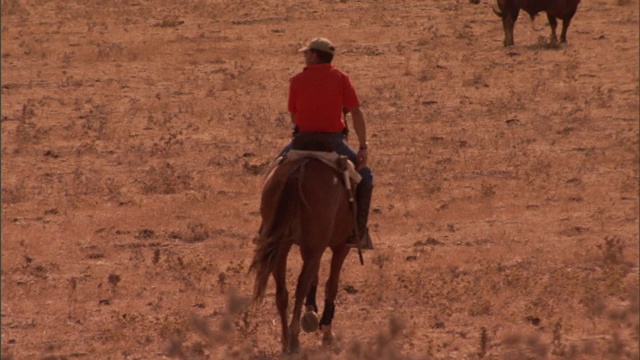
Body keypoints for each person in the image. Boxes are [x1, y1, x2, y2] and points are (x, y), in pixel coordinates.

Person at [278, 37, 374, 250]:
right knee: (366, 177)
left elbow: (294, 116)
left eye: (306, 53)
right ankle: (357, 233)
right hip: (333, 141)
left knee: (274, 169)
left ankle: (266, 228)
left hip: (301, 141)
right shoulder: (341, 78)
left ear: (314, 55)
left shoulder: (296, 80)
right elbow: (356, 112)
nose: (304, 56)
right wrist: (363, 146)